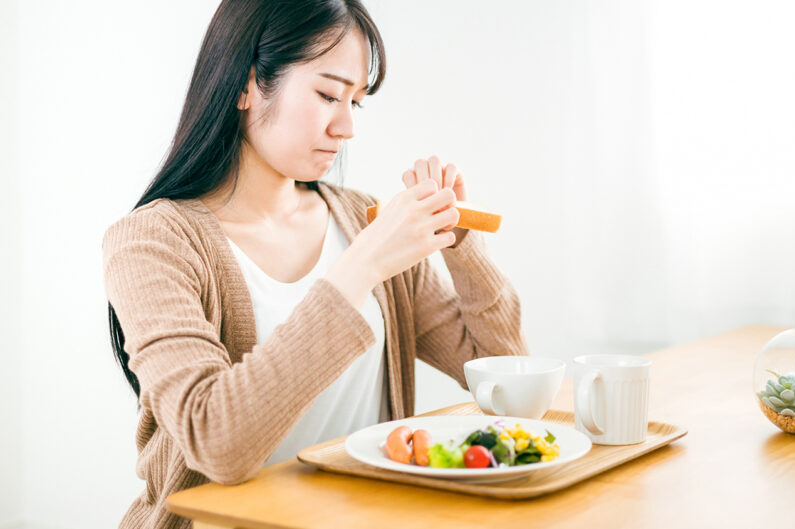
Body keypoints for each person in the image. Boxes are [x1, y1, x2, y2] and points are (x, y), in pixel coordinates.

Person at [101, 1, 528, 527]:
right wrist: (360, 267)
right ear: (247, 85)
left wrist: (461, 244)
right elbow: (218, 442)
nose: (346, 126)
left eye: (356, 102)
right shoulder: (151, 242)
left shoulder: (361, 220)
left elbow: (506, 376)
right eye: (328, 94)